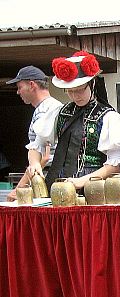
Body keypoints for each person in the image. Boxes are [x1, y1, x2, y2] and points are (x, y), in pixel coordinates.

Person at [27, 53, 120, 190]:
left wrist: (82, 181)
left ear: (92, 84)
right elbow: (37, 144)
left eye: (80, 90)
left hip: (94, 188)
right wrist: (34, 163)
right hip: (58, 185)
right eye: (70, 91)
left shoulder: (108, 116)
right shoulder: (60, 112)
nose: (75, 96)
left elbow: (116, 164)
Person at [5, 65, 62, 201]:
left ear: (32, 85)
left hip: (48, 178)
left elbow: (45, 157)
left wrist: (19, 188)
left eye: (20, 87)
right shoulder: (46, 108)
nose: (18, 92)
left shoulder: (45, 111)